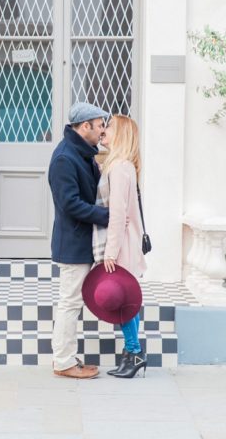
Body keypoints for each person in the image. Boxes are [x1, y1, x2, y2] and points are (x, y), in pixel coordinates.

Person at [48, 102, 110, 379]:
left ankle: (66, 358)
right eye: (99, 126)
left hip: (82, 240)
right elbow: (70, 204)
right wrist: (108, 216)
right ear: (84, 126)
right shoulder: (65, 158)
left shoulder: (81, 153)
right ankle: (63, 363)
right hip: (73, 242)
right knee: (70, 303)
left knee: (71, 302)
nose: (103, 131)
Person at [94, 115, 148, 378]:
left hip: (121, 246)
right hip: (127, 242)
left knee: (122, 302)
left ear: (122, 134)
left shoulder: (118, 167)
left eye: (109, 127)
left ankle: (134, 351)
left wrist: (110, 253)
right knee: (127, 300)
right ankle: (132, 353)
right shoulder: (123, 165)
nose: (103, 130)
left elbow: (118, 214)